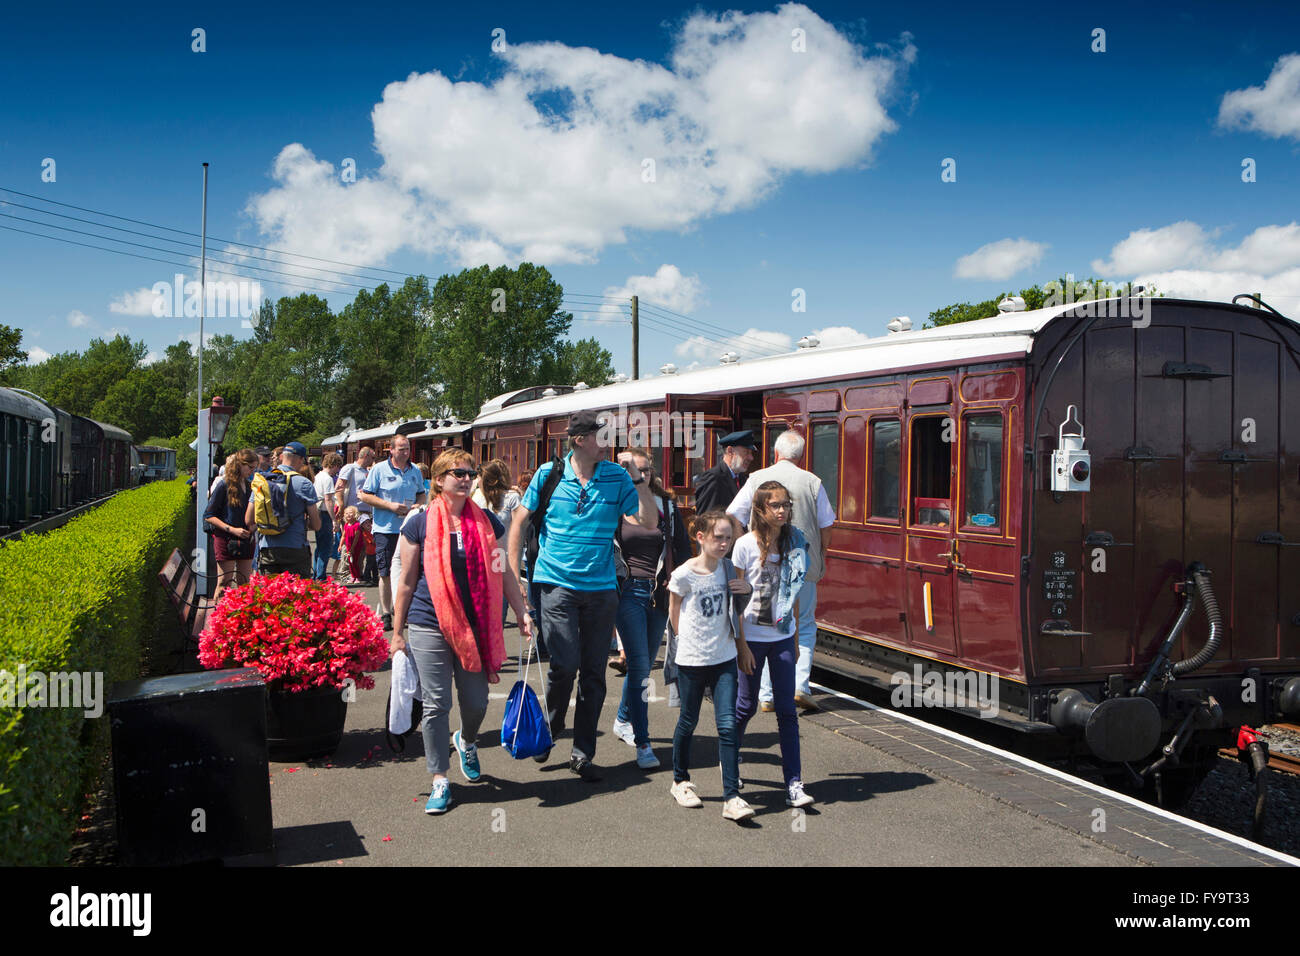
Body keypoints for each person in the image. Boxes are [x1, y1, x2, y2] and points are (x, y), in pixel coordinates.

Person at [506, 409, 659, 781]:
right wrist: (515, 578)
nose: (608, 442)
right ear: (580, 440)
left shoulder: (618, 477)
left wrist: (639, 480)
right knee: (565, 664)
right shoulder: (548, 474)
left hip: (602, 588)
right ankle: (552, 729)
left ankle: (582, 752)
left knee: (593, 673)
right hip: (555, 584)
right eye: (601, 435)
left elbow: (650, 522)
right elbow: (518, 524)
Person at [391, 448, 533, 814]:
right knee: (437, 704)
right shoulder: (418, 523)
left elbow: (503, 571)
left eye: (471, 473)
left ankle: (467, 740)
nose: (467, 478)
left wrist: (522, 611)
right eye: (459, 473)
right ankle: (440, 778)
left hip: (476, 624)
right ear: (439, 480)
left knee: (476, 702)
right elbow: (406, 582)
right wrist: (397, 632)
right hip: (428, 621)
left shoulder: (488, 522)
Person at [727, 429, 835, 713]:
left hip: (762, 565)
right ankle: (800, 685)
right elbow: (826, 525)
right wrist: (820, 554)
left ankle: (766, 695)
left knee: (765, 623)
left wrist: (747, 543)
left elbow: (733, 514)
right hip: (802, 565)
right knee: (804, 623)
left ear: (775, 454)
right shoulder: (813, 481)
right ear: (801, 456)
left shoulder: (756, 479)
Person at [667, 510, 756, 821]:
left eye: (728, 538)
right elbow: (674, 614)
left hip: (724, 658)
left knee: (728, 724)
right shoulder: (683, 574)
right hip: (692, 659)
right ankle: (680, 780)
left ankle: (732, 796)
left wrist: (749, 592)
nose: (724, 544)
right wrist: (686, 643)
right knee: (688, 721)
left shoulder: (729, 569)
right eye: (718, 537)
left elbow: (738, 607)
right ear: (700, 537)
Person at [731, 481, 814, 808]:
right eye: (776, 505)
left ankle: (794, 782)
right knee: (745, 705)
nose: (782, 511)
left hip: (780, 638)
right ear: (761, 510)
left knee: (786, 711)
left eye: (786, 505)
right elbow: (735, 601)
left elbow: (794, 594)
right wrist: (741, 645)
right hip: (751, 638)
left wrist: (793, 641)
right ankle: (731, 758)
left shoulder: (795, 542)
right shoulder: (744, 546)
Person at [609, 447, 692, 769]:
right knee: (641, 668)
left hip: (659, 593)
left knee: (643, 664)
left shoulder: (666, 506)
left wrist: (684, 588)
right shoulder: (610, 504)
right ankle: (644, 743)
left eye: (642, 470)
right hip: (627, 593)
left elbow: (682, 550)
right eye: (630, 469)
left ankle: (623, 719)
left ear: (651, 473)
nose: (636, 476)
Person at [359, 435, 426, 631]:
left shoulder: (415, 472)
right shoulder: (379, 470)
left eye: (407, 449)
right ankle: (387, 612)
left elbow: (421, 493)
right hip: (385, 529)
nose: (405, 453)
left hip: (410, 529)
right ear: (392, 451)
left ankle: (404, 610)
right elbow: (365, 495)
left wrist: (418, 505)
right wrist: (389, 506)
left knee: (410, 572)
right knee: (386, 572)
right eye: (401, 449)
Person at [246, 441, 321, 578]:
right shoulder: (304, 483)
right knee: (298, 595)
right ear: (301, 459)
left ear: (281, 457)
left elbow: (248, 519)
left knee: (270, 595)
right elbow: (316, 525)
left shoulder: (262, 481)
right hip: (295, 547)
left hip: (267, 548)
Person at [203, 448, 257, 606]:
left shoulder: (250, 486)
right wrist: (232, 529)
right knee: (224, 583)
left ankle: (242, 619)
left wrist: (253, 527)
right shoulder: (224, 485)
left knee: (245, 583)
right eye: (250, 467)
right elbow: (209, 515)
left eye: (255, 468)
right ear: (240, 465)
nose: (252, 471)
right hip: (226, 538)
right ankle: (217, 618)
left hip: (246, 539)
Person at [693, 430, 757, 540]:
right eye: (746, 452)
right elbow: (705, 521)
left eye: (751, 453)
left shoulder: (743, 479)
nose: (751, 458)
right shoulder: (713, 478)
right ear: (730, 451)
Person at [335, 446, 376, 582]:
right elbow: (339, 487)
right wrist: (341, 505)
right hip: (352, 512)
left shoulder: (367, 471)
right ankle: (346, 572)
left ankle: (357, 572)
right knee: (350, 542)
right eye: (372, 457)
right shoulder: (350, 468)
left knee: (362, 546)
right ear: (366, 456)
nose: (373, 460)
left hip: (365, 513)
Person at [312, 452, 344, 580]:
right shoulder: (328, 478)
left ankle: (316, 574)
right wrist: (334, 520)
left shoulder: (318, 476)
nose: (338, 471)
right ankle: (321, 577)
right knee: (326, 546)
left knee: (319, 546)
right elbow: (329, 500)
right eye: (338, 467)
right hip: (324, 514)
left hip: (316, 511)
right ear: (335, 465)